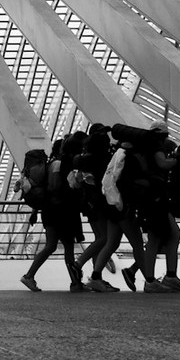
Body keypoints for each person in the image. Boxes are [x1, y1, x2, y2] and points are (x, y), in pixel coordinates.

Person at [112, 122, 180, 293]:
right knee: (158, 238)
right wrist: (179, 160)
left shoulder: (142, 148)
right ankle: (153, 280)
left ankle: (164, 276)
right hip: (154, 198)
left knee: (165, 236)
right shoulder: (154, 145)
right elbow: (162, 164)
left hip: (150, 197)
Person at [19, 137, 82, 291]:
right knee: (67, 247)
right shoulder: (58, 165)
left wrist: (35, 211)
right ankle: (75, 283)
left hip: (49, 212)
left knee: (51, 246)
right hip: (59, 212)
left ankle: (29, 276)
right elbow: (53, 187)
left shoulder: (48, 165)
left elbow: (44, 189)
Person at [71, 123, 123, 292]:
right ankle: (78, 264)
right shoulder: (100, 158)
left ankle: (96, 277)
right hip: (98, 202)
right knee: (104, 238)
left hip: (88, 203)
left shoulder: (85, 157)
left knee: (100, 238)